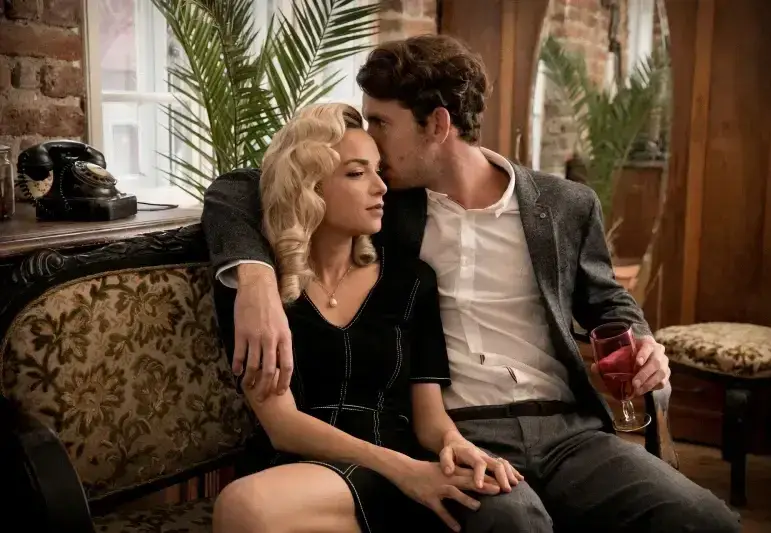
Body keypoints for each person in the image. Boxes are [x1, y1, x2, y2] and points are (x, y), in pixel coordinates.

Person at [204, 35, 741, 532]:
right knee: (511, 524)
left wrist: (642, 344)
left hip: (570, 431)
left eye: (381, 122)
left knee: (703, 519)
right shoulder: (388, 203)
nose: (371, 138)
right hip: (458, 432)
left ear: (437, 125)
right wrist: (254, 276)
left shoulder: (565, 205)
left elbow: (609, 304)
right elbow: (248, 186)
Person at [211, 103, 525, 533]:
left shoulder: (412, 281)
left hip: (394, 465)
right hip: (299, 467)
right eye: (357, 173)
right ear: (309, 187)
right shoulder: (257, 293)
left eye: (379, 171)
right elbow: (281, 426)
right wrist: (403, 470)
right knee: (245, 506)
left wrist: (454, 443)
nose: (381, 187)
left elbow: (430, 420)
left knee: (248, 507)